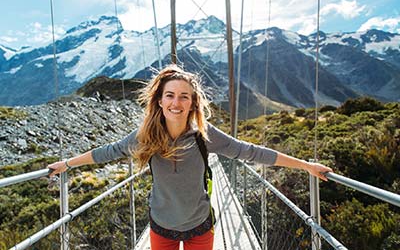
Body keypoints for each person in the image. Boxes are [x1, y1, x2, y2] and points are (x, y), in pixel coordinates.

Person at [48, 64, 332, 250]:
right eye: (170, 95)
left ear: (193, 102)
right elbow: (106, 152)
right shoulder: (144, 136)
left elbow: (251, 151)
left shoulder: (204, 134)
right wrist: (67, 164)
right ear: (159, 100)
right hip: (161, 227)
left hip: (200, 227)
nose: (176, 102)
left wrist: (305, 166)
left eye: (184, 96)